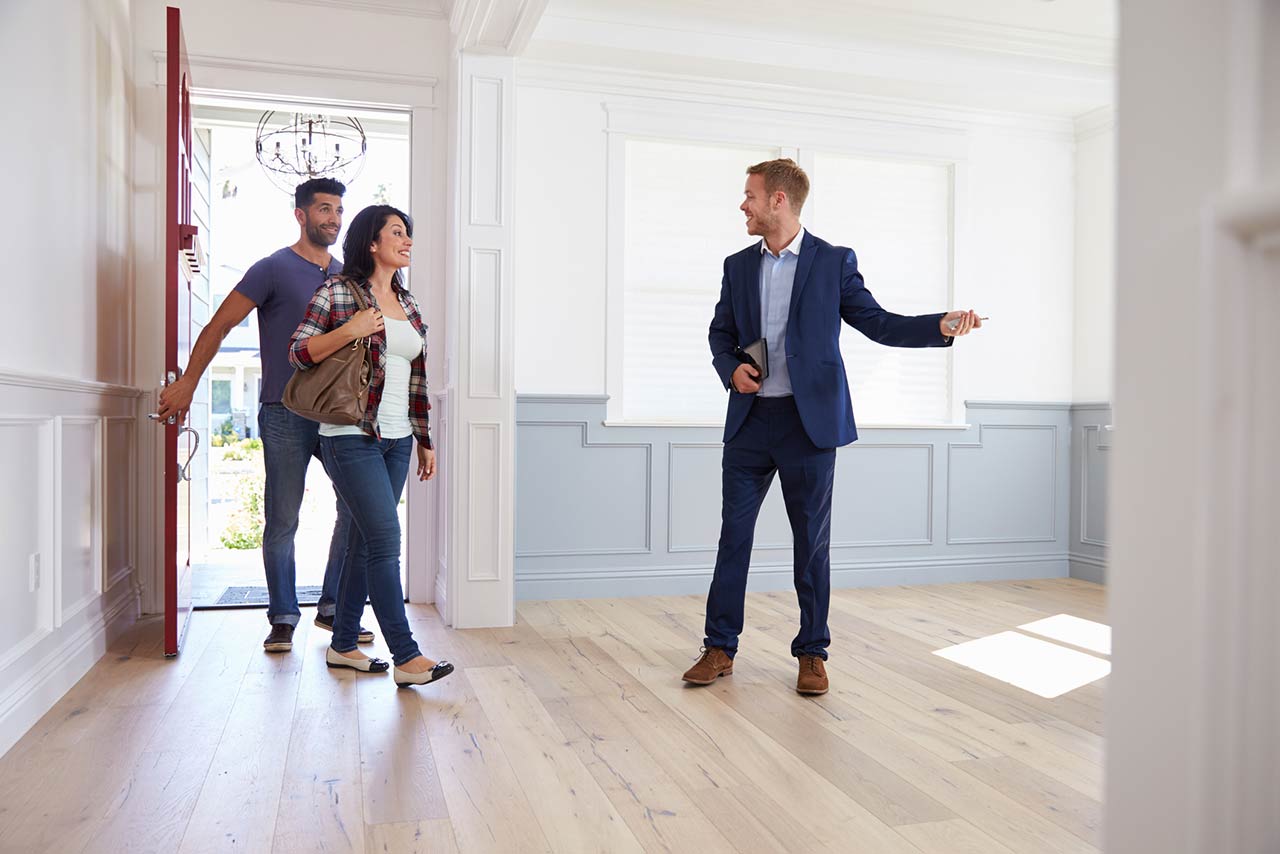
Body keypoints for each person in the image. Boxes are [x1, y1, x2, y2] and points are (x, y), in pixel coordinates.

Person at [682, 158, 983, 695]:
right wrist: (731, 370)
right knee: (734, 539)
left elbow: (879, 323)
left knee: (811, 545)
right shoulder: (736, 266)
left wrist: (939, 326)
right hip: (750, 425)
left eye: (750, 195)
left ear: (779, 200)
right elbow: (719, 334)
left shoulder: (832, 262)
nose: (743, 205)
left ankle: (812, 653)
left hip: (810, 427)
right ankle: (720, 647)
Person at [156, 178, 374, 654]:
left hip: (339, 416)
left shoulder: (347, 278)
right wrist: (189, 381)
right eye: (323, 209)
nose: (333, 219)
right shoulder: (272, 269)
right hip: (284, 411)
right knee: (282, 519)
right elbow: (218, 325)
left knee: (356, 510)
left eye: (338, 210)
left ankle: (334, 608)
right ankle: (282, 616)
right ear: (301, 214)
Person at [289, 204, 453, 688]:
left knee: (363, 542)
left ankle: (342, 646)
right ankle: (406, 656)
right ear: (372, 243)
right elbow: (298, 352)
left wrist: (424, 440)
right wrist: (350, 329)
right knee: (385, 541)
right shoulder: (338, 292)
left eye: (410, 234)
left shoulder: (410, 302)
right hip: (350, 436)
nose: (407, 242)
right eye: (398, 233)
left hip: (399, 439)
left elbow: (417, 378)